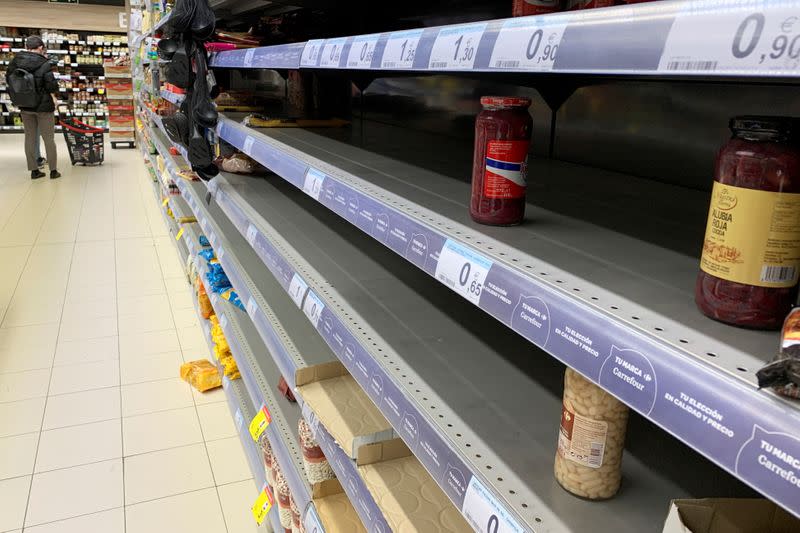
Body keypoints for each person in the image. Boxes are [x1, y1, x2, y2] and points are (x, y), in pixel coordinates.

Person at [8, 36, 60, 179]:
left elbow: (9, 80)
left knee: (29, 138)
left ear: (27, 47)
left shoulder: (15, 61)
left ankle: (34, 170)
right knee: (48, 138)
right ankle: (53, 171)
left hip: (25, 105)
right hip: (43, 106)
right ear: (41, 47)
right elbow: (51, 85)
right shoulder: (44, 63)